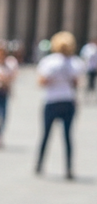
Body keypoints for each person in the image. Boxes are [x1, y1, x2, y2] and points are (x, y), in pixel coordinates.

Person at [35, 30, 85, 180]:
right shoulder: (75, 62)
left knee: (45, 135)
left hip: (51, 101)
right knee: (68, 137)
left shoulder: (49, 61)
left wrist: (54, 79)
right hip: (68, 101)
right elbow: (77, 83)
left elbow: (42, 82)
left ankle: (39, 164)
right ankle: (69, 168)